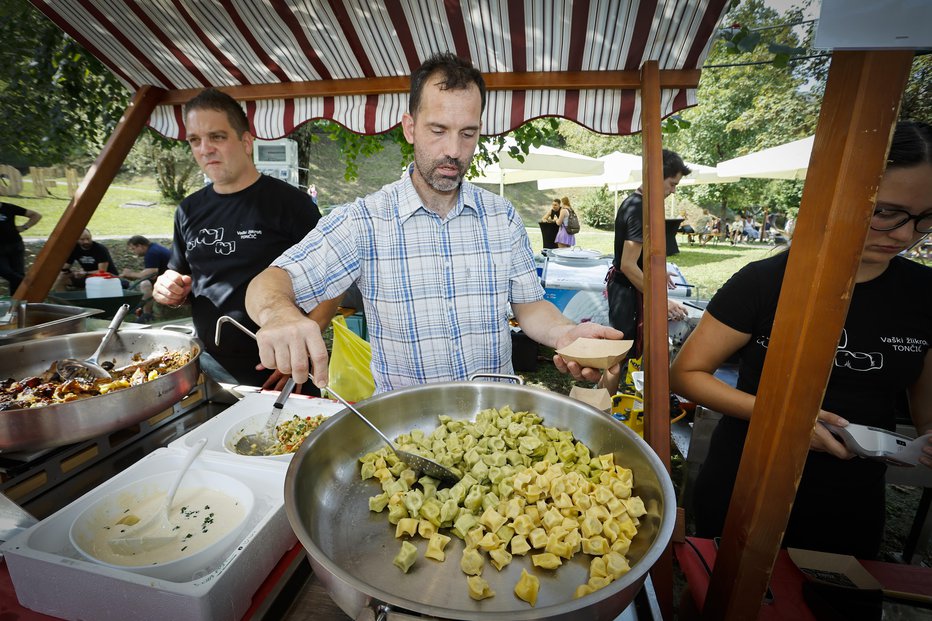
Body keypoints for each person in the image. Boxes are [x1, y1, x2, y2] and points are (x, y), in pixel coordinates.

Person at [244, 52, 622, 392]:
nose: (453, 151)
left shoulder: (501, 216)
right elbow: (269, 283)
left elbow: (530, 307)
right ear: (410, 127)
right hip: (408, 434)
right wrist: (279, 314)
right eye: (438, 130)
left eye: (468, 133)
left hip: (495, 425)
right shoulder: (364, 220)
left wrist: (566, 333)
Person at [670, 120, 932, 559]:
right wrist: (785, 419)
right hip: (751, 479)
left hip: (853, 497)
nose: (906, 235)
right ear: (844, 192)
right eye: (887, 213)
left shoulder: (923, 293)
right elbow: (687, 374)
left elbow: (925, 407)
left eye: (926, 219)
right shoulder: (767, 281)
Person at [152, 87, 340, 392]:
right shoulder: (187, 210)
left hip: (280, 369)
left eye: (217, 137)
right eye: (195, 140)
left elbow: (336, 278)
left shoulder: (290, 204)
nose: (205, 149)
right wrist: (169, 285)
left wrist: (302, 347)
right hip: (209, 368)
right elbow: (182, 272)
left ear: (246, 141)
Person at [606, 149, 691, 358]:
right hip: (626, 292)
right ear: (655, 176)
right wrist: (660, 300)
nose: (673, 191)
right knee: (620, 354)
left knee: (625, 354)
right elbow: (628, 264)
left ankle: (612, 390)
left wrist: (656, 271)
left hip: (627, 288)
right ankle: (605, 392)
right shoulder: (638, 208)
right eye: (672, 184)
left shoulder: (639, 202)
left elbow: (637, 257)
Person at [121, 235, 171, 322]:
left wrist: (130, 274)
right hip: (167, 277)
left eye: (133, 249)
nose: (134, 252)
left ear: (140, 246)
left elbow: (151, 273)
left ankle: (146, 314)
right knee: (144, 282)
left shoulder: (152, 253)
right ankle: (143, 312)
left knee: (145, 284)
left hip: (169, 279)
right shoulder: (154, 248)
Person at [55, 228, 121, 290]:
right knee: (61, 278)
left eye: (88, 239)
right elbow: (65, 267)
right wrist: (73, 273)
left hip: (107, 277)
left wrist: (85, 273)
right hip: (88, 276)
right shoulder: (75, 249)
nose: (86, 242)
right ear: (77, 239)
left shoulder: (100, 249)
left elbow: (102, 271)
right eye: (82, 239)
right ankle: (64, 300)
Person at [0, 202, 41, 295]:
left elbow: (36, 215)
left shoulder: (9, 207)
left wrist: (24, 227)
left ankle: (16, 304)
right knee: (5, 271)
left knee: (17, 274)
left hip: (15, 246)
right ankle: (32, 284)